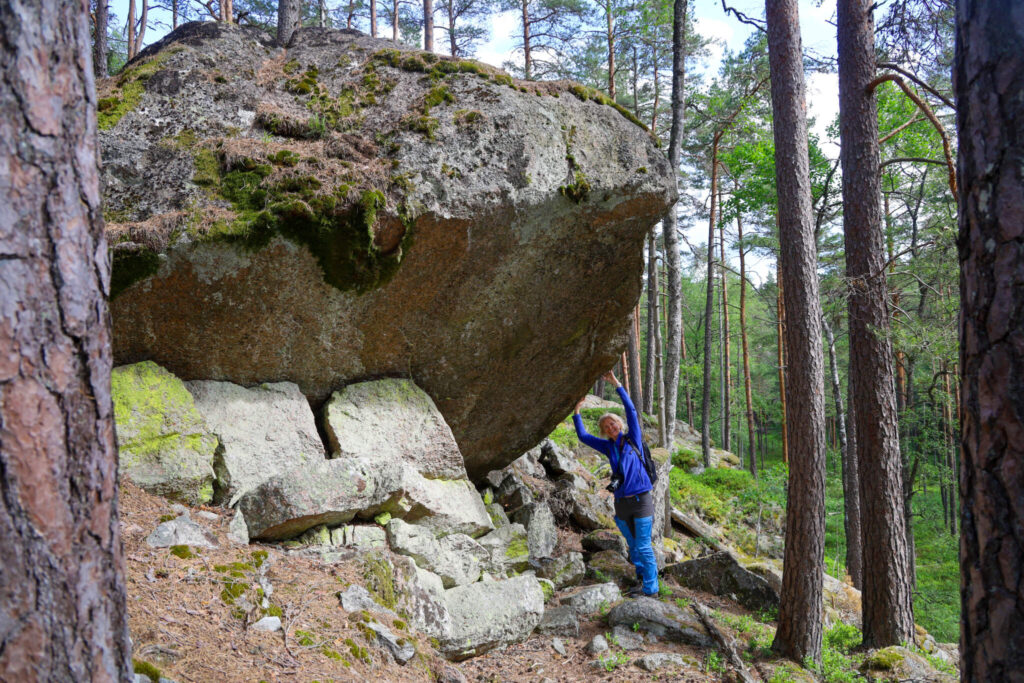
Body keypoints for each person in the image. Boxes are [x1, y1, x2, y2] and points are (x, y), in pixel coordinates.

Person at [573, 371, 658, 597]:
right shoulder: (608, 447)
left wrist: (617, 384)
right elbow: (583, 436)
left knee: (643, 545)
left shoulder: (633, 438)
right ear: (604, 432)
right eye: (607, 427)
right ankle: (641, 579)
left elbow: (631, 411)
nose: (611, 428)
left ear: (619, 424)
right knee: (632, 544)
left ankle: (651, 589)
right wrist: (577, 410)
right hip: (621, 501)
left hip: (641, 500)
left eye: (613, 424)